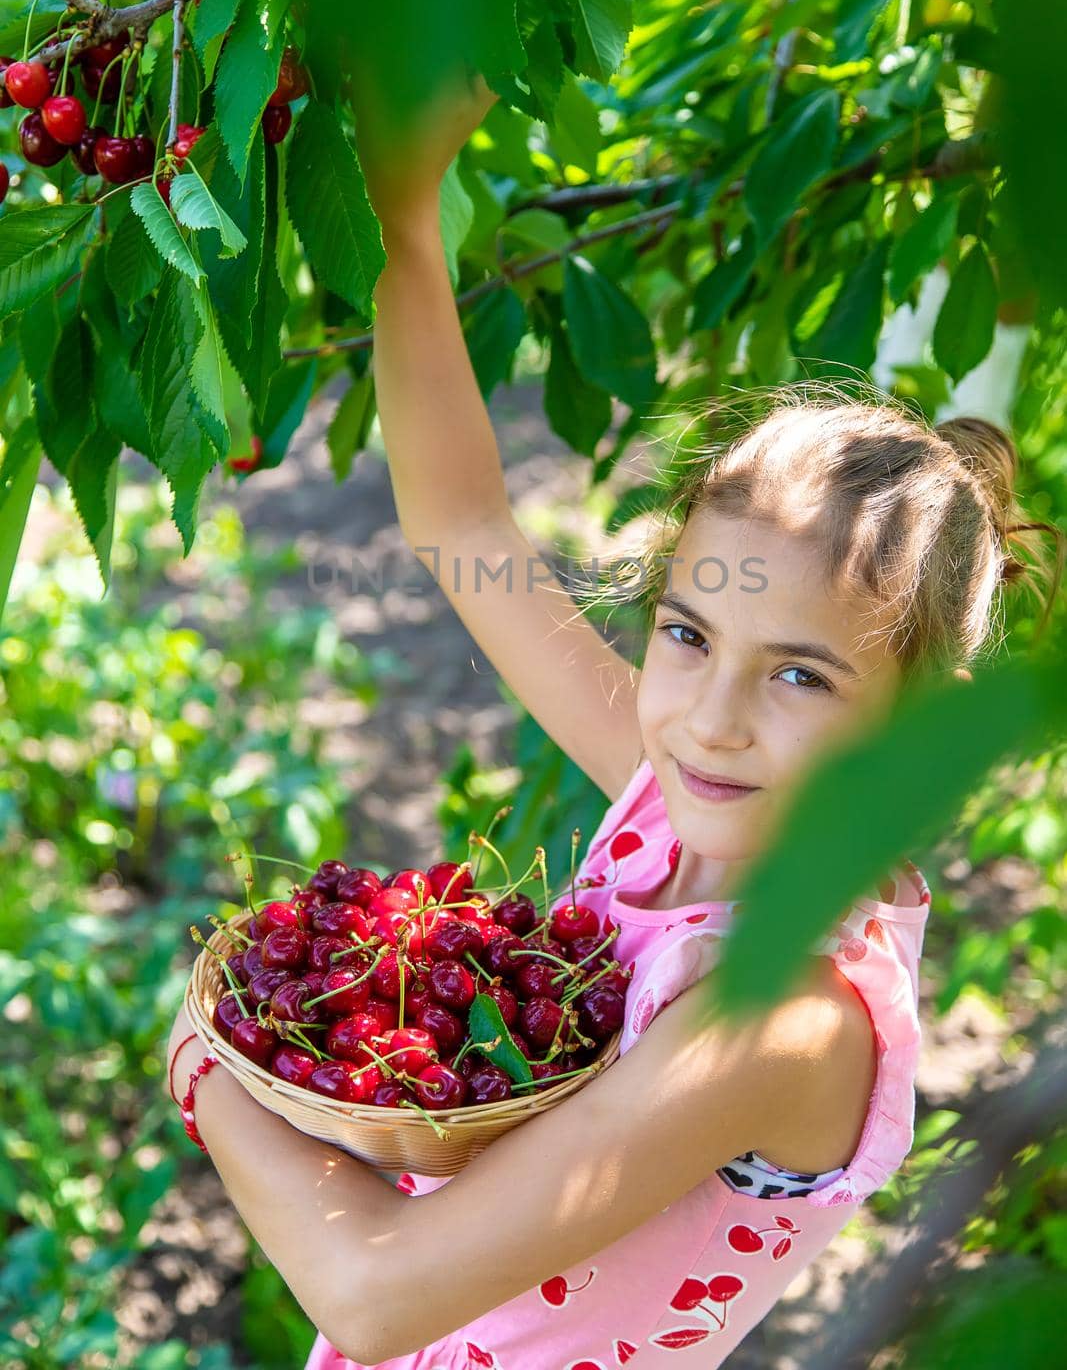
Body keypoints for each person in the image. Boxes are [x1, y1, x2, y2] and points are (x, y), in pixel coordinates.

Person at [166, 70, 1063, 1369]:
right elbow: (463, 524)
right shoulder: (676, 795)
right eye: (688, 636)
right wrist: (408, 223)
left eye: (802, 676)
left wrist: (208, 1060)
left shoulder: (786, 1011)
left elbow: (372, 1293)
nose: (713, 717)